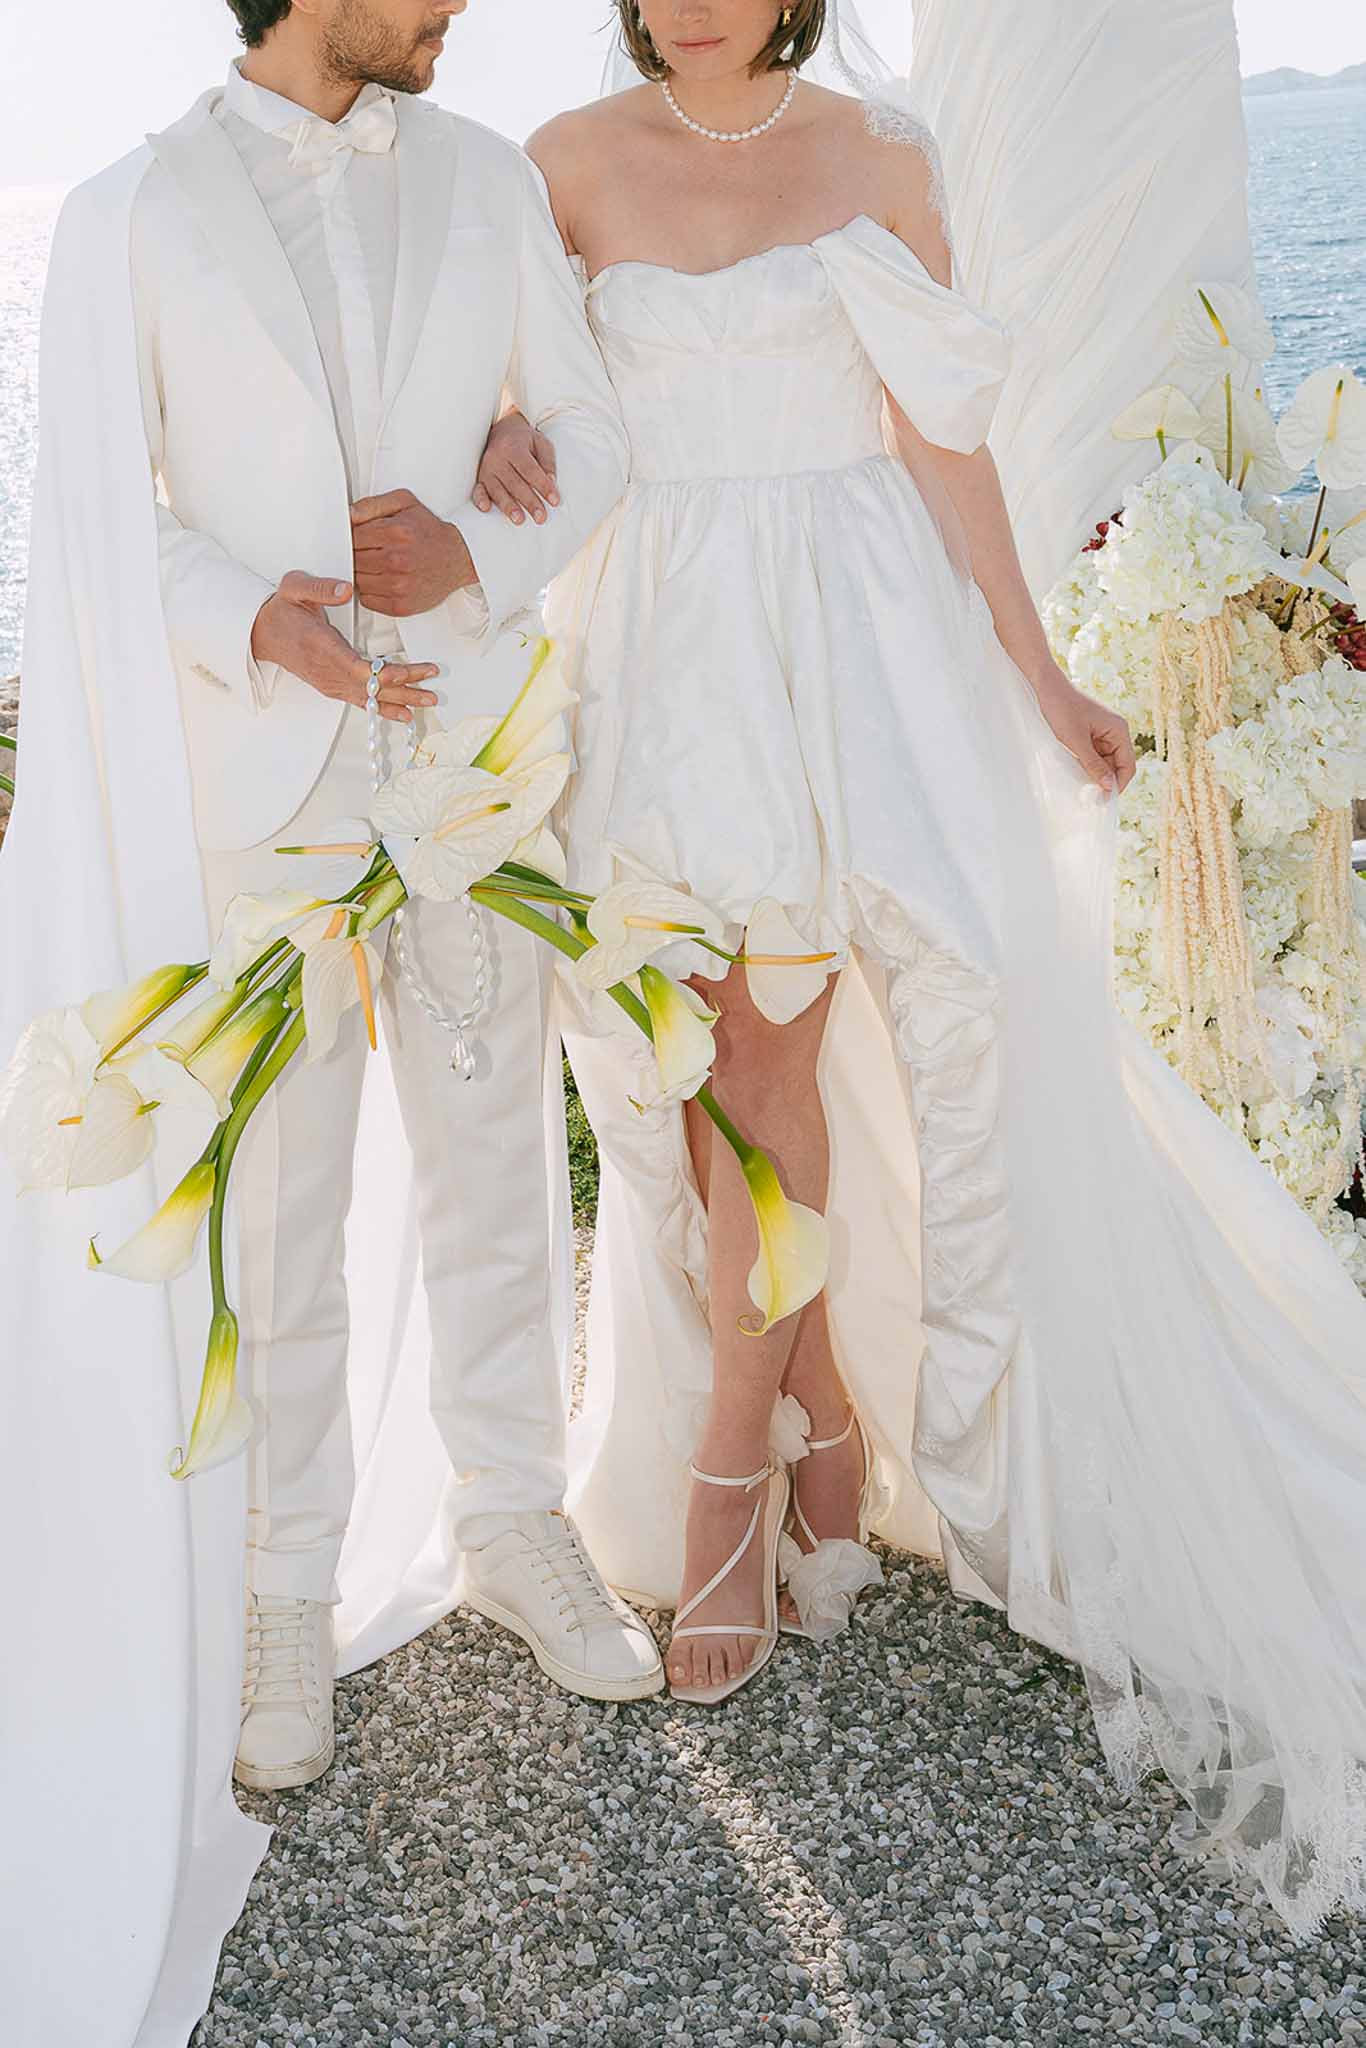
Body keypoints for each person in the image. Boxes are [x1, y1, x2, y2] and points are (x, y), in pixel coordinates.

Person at [474, 0, 1366, 1932]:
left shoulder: (884, 158)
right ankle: (772, 1429)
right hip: (679, 638)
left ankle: (806, 1431)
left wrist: (1038, 673)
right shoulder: (560, 161)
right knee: (732, 1055)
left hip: (862, 625)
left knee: (876, 1028)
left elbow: (938, 438)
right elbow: (523, 408)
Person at [0, 0, 661, 2035]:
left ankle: (513, 1520)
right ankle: (285, 1585)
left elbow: (602, 436)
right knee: (278, 1204)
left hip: (466, 753)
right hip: (261, 780)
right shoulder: (127, 212)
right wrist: (253, 621)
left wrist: (479, 549)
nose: (459, 5)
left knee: (487, 1152)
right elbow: (104, 517)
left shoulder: (484, 182)